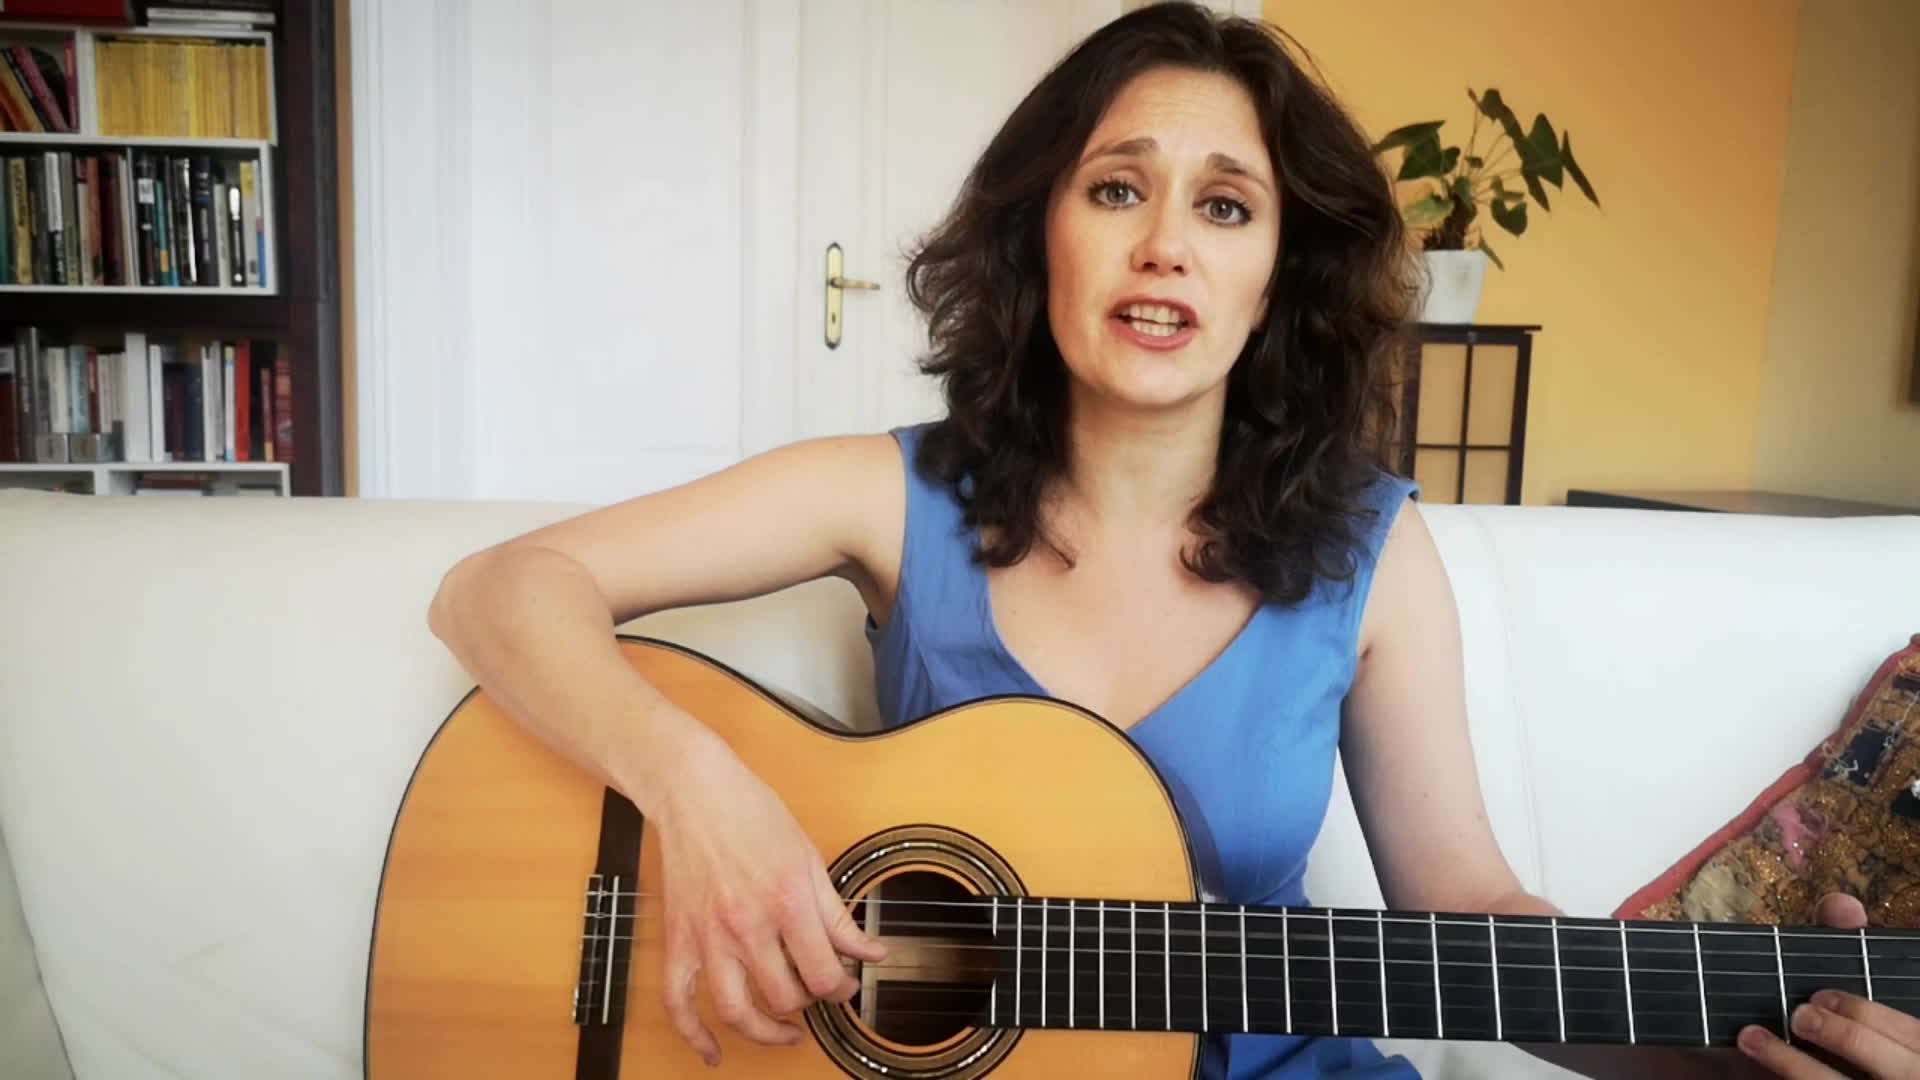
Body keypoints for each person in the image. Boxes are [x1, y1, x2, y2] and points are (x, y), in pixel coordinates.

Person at [424, 3, 1917, 1077]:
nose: (1166, 246)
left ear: (1278, 275)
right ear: (1041, 233)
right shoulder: (887, 493)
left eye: (1226, 206)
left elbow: (1465, 910)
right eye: (1118, 188)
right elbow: (502, 590)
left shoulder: (1371, 553)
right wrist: (705, 798)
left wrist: (1733, 1044)